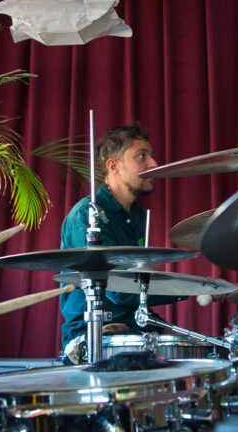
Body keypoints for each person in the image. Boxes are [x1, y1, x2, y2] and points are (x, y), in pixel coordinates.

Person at [59, 125, 183, 360]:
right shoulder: (88, 213)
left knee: (198, 346)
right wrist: (190, 290)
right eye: (141, 156)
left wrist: (166, 326)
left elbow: (138, 292)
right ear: (113, 165)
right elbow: (119, 289)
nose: (154, 164)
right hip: (92, 331)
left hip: (133, 324)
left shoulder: (136, 216)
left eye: (152, 155)